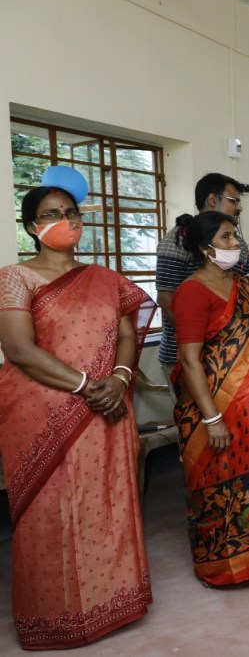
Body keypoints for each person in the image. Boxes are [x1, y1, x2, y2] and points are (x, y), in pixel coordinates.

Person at [0, 180, 155, 649]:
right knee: (51, 514)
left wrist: (122, 378)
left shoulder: (106, 279)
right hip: (44, 412)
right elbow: (19, 350)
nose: (65, 220)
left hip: (108, 407)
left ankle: (115, 602)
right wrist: (88, 385)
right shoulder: (15, 277)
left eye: (70, 211)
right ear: (32, 226)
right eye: (51, 214)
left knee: (107, 504)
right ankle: (54, 618)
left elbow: (127, 335)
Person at [172, 212, 249, 586]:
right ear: (204, 247)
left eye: (235, 236)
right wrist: (212, 419)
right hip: (216, 407)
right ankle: (220, 567)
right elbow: (190, 361)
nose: (236, 244)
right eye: (227, 238)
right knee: (219, 486)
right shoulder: (192, 292)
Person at [156, 173, 249, 385]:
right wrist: (199, 341)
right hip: (185, 354)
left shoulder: (238, 244)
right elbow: (166, 297)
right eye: (234, 201)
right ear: (213, 200)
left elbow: (243, 293)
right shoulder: (177, 240)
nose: (239, 208)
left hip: (233, 353)